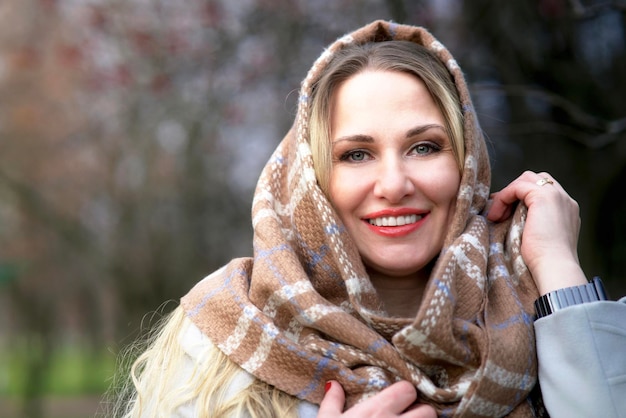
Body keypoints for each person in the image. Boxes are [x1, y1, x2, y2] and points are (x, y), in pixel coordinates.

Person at [110, 20, 626, 417]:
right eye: (356, 154)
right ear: (312, 179)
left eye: (425, 147)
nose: (395, 183)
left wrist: (557, 265)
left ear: (467, 165)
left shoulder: (551, 320)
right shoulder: (222, 338)